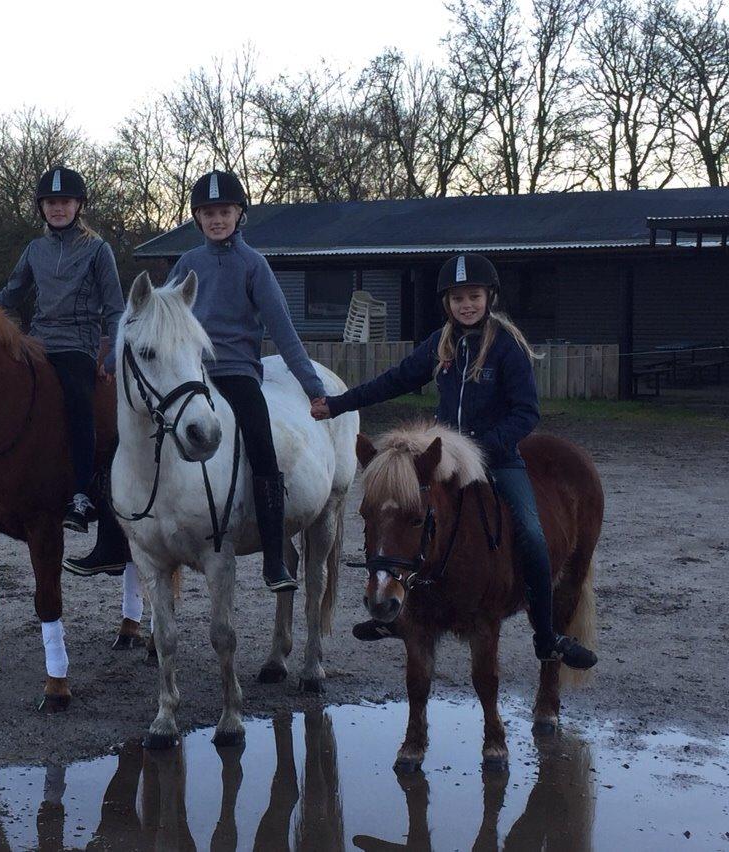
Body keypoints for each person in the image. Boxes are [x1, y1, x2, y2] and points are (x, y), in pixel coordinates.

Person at [311, 253, 597, 669]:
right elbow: (395, 380)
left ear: (489, 297)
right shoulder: (439, 343)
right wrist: (339, 404)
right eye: (458, 298)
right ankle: (400, 612)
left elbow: (526, 412)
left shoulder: (506, 346)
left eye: (475, 296)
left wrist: (486, 446)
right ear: (447, 303)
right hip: (446, 460)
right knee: (407, 521)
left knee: (532, 534)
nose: (467, 305)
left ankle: (547, 634)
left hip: (498, 460)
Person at [167, 170, 328, 593]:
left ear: (240, 214)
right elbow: (160, 320)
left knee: (262, 446)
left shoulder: (253, 265)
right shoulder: (186, 265)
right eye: (208, 213)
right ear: (197, 219)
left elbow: (284, 331)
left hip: (236, 374)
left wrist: (313, 388)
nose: (217, 220)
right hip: (192, 376)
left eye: (225, 211)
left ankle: (274, 556)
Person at [0, 166, 125, 533]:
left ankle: (81, 493)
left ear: (78, 205)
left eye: (64, 202)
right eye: (51, 203)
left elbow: (115, 307)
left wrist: (113, 351)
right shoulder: (35, 249)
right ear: (42, 208)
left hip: (78, 343)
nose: (58, 209)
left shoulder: (98, 250)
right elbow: (12, 293)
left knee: (79, 403)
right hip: (37, 340)